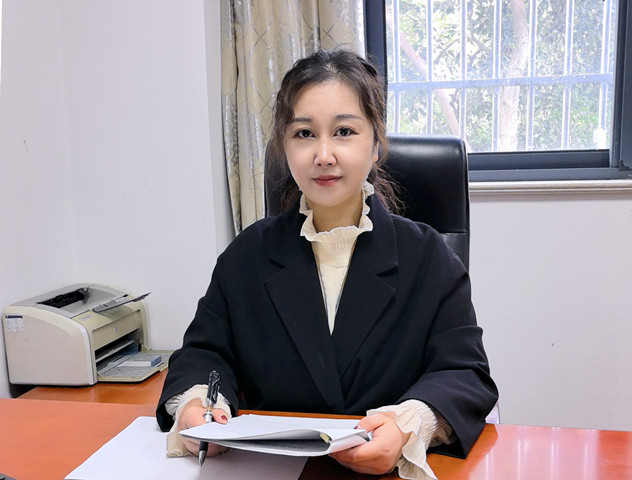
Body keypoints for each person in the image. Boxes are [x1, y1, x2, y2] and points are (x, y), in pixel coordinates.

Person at [156, 48, 498, 478]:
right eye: (303, 133)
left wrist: (408, 426)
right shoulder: (246, 256)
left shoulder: (429, 256)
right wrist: (198, 407)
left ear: (376, 145)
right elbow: (203, 353)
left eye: (344, 131)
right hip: (267, 470)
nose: (323, 154)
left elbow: (464, 372)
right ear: (284, 147)